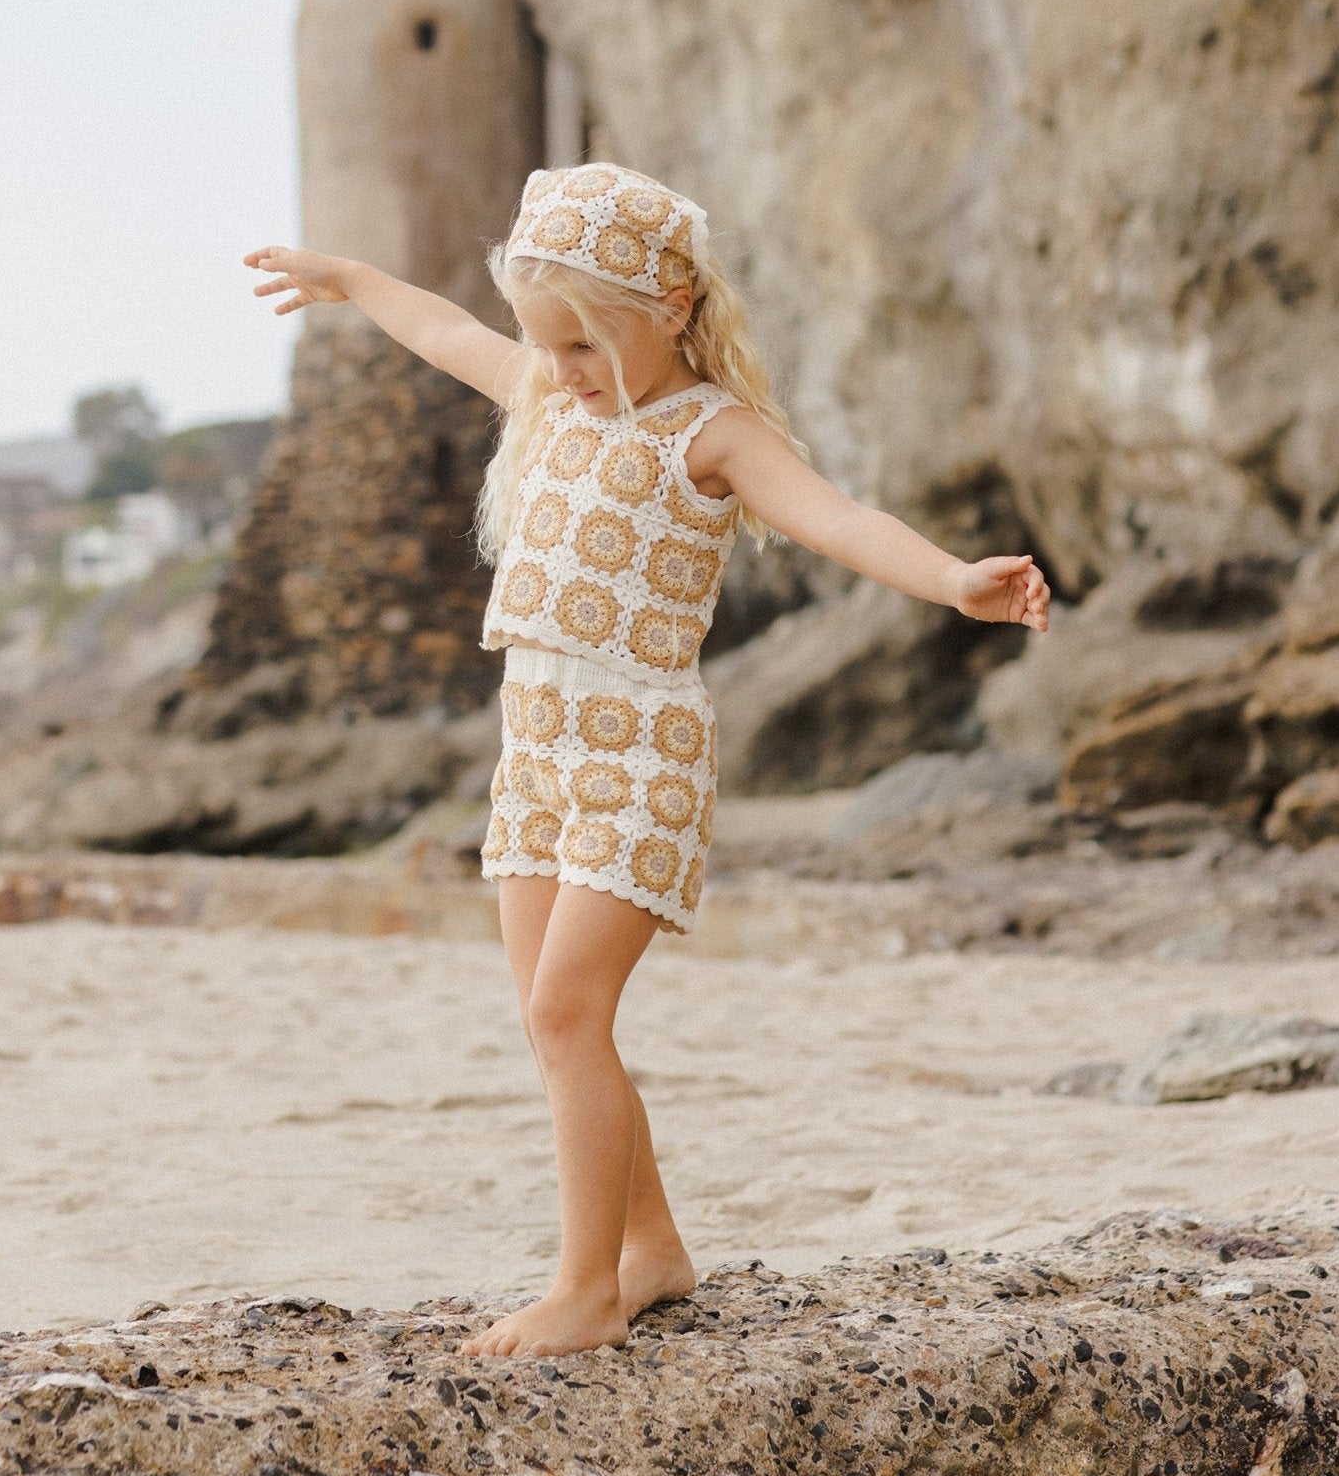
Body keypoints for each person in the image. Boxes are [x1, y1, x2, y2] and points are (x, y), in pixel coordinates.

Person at [245, 163, 1049, 1358]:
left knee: (570, 1009)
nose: (558, 367)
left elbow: (834, 517)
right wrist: (356, 279)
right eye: (545, 341)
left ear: (668, 302)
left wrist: (948, 578)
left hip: (641, 752)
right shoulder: (548, 397)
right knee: (548, 1017)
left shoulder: (712, 432)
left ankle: (585, 1289)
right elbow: (445, 329)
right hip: (539, 751)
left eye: (579, 342)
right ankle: (653, 1248)